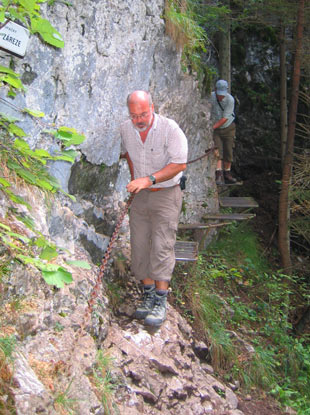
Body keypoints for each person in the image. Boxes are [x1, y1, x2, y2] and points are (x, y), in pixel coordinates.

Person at [120, 90, 188, 327]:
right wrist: (135, 179)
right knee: (139, 245)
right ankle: (147, 295)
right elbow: (129, 154)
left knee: (161, 245)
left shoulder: (170, 129)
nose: (138, 120)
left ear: (153, 107)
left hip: (167, 195)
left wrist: (147, 179)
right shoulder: (126, 129)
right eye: (133, 115)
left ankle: (160, 300)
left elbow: (179, 164)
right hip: (140, 196)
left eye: (143, 114)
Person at [211, 79, 237, 185]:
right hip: (216, 129)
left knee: (228, 150)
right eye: (219, 94)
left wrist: (212, 127)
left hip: (228, 127)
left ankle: (227, 173)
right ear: (215, 90)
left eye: (222, 94)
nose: (220, 97)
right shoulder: (210, 97)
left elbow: (225, 118)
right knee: (217, 150)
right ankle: (218, 174)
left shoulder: (230, 100)